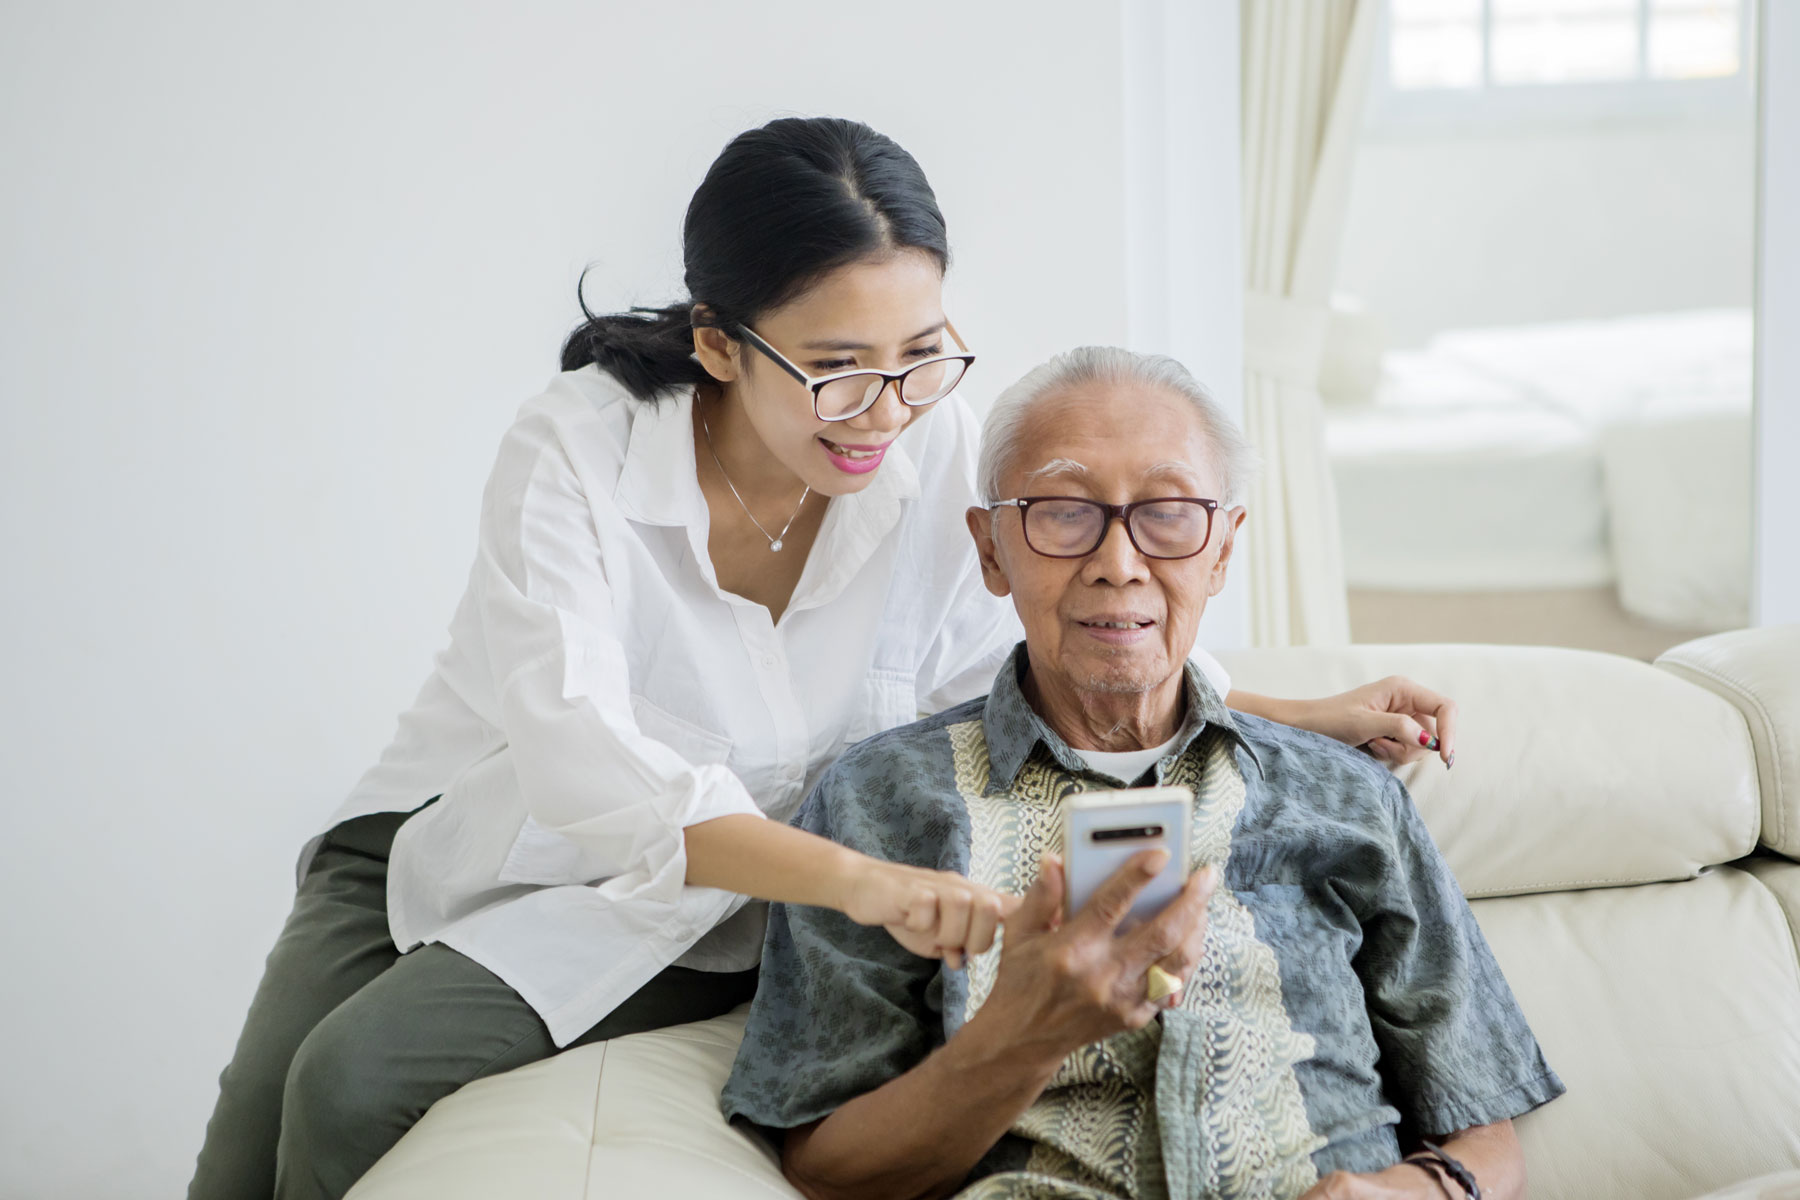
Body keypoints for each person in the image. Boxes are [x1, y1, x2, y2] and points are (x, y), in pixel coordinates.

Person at [188, 118, 1461, 1200]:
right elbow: (587, 769)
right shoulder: (574, 450)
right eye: (838, 369)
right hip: (475, 824)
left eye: (919, 355)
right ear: (720, 341)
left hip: (722, 889)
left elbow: (1014, 646)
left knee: (350, 1081)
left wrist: (1292, 712)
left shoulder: (932, 439)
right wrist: (863, 884)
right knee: (259, 1125)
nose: (888, 411)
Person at [722, 346, 1562, 1200]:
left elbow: (1484, 1125)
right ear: (991, 550)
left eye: (1167, 513)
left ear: (1224, 549)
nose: (1119, 562)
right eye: (1061, 511)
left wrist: (1409, 1196)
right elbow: (827, 1168)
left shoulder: (1347, 795)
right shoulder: (877, 804)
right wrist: (1017, 1036)